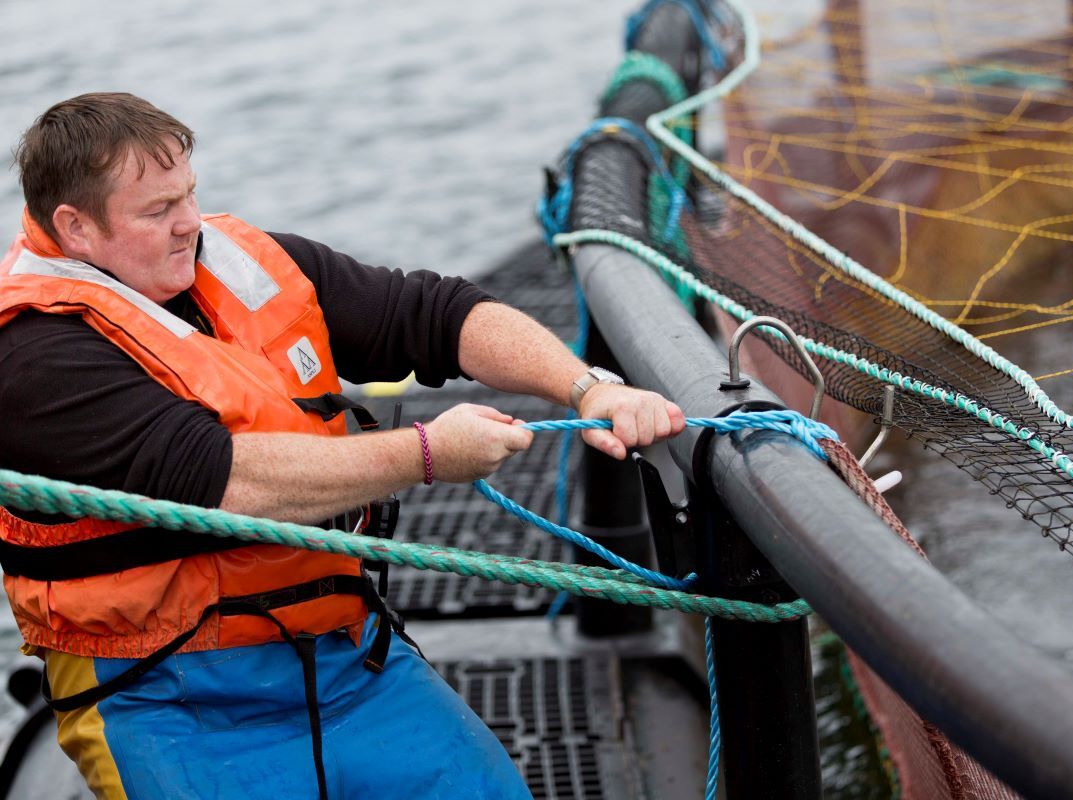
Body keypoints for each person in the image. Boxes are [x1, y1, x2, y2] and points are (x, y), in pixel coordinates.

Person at [0, 92, 686, 799]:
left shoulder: (242, 262)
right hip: (162, 695)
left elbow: (434, 315)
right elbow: (219, 480)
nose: (189, 225)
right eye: (156, 212)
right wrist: (426, 454)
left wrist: (588, 389)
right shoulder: (32, 355)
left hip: (340, 659)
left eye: (190, 195)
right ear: (75, 228)